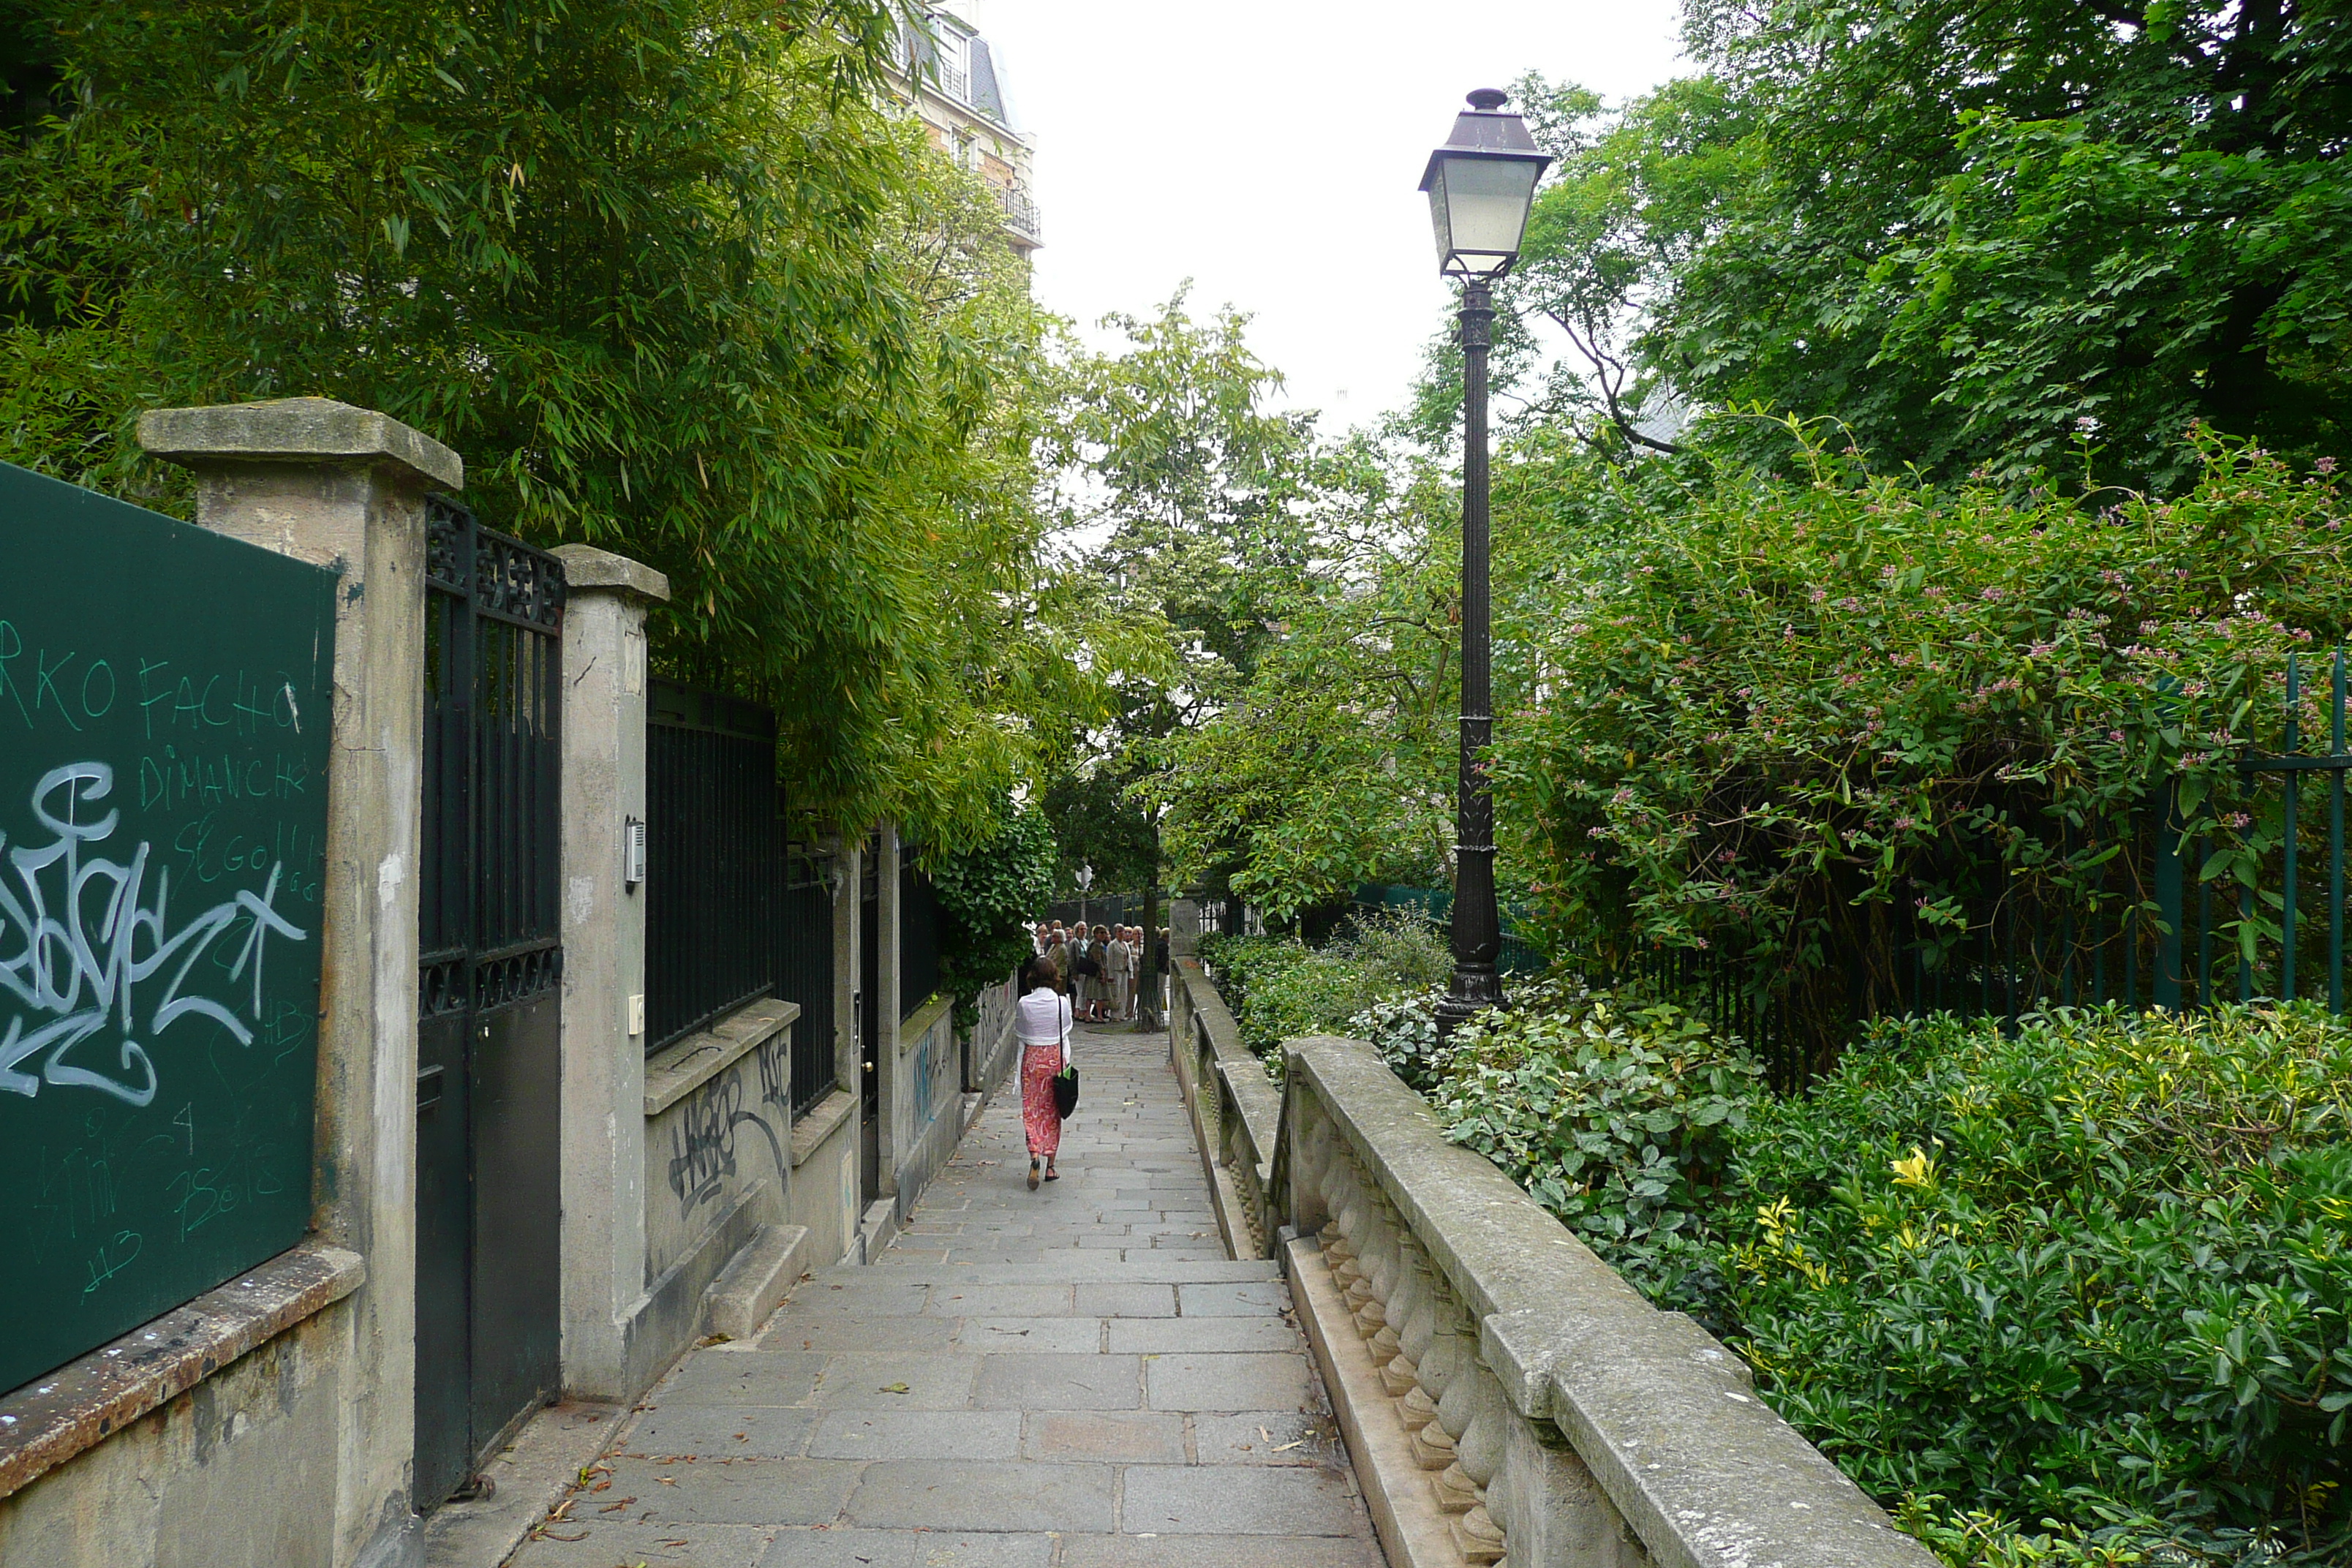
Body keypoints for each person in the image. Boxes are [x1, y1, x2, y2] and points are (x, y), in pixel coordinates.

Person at [1014, 955, 1073, 1189]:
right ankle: (1050, 1165)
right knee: (1052, 1110)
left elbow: (1021, 1037)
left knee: (1032, 1110)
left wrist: (1017, 1076)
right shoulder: (1062, 1003)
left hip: (1032, 1060)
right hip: (1054, 1059)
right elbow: (1066, 1032)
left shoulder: (1024, 1004)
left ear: (1032, 977)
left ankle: (1034, 1155)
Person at [1107, 926, 1134, 1020]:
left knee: (1124, 993)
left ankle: (1122, 1014)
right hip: (1116, 971)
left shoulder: (1126, 945)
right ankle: (1114, 1015)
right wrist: (1110, 974)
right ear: (1115, 933)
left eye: (1123, 931)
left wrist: (1131, 973)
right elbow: (1109, 960)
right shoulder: (1112, 945)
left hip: (1125, 971)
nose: (1122, 933)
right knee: (1116, 993)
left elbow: (1129, 959)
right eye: (1119, 932)